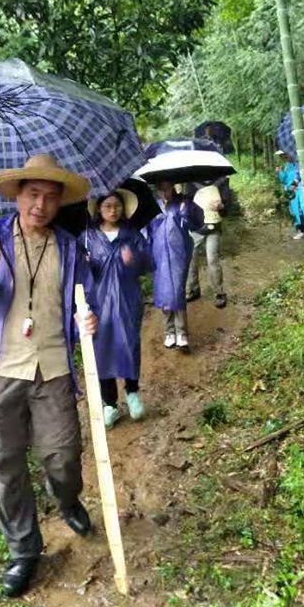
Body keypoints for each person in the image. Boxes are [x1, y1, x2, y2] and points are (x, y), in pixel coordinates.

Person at [0, 154, 98, 599]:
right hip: (0, 371)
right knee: (6, 467)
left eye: (51, 197)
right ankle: (24, 552)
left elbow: (84, 300)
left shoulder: (69, 247)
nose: (42, 204)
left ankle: (66, 498)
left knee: (63, 455)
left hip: (51, 368)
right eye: (34, 194)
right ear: (18, 195)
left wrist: (88, 319)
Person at [79, 189, 152, 430]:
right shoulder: (87, 238)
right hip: (98, 303)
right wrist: (86, 264)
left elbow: (150, 263)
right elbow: (76, 273)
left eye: (117, 206)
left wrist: (135, 260)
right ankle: (109, 403)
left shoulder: (132, 235)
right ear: (99, 209)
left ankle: (132, 393)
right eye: (108, 206)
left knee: (129, 344)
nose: (113, 210)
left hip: (127, 300)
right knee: (102, 350)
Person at [147, 179, 204, 351]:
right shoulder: (152, 207)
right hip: (158, 254)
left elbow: (196, 223)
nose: (164, 192)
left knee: (177, 291)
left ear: (172, 187)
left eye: (166, 188)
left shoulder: (183, 202)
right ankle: (169, 332)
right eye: (160, 189)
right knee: (164, 293)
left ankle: (182, 333)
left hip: (178, 254)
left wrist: (186, 212)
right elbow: (147, 231)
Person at [185, 176, 231, 307]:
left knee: (212, 259)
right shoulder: (191, 182)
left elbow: (227, 205)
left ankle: (219, 292)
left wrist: (221, 206)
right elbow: (187, 202)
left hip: (213, 226)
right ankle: (193, 289)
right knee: (191, 258)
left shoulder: (221, 181)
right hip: (196, 227)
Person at [275, 150, 304, 239]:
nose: (283, 157)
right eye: (281, 156)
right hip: (290, 191)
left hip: (299, 189)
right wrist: (279, 172)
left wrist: (296, 185)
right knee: (293, 211)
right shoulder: (286, 166)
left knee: (302, 208)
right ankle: (300, 230)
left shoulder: (297, 163)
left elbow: (300, 176)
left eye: (283, 155)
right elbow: (284, 180)